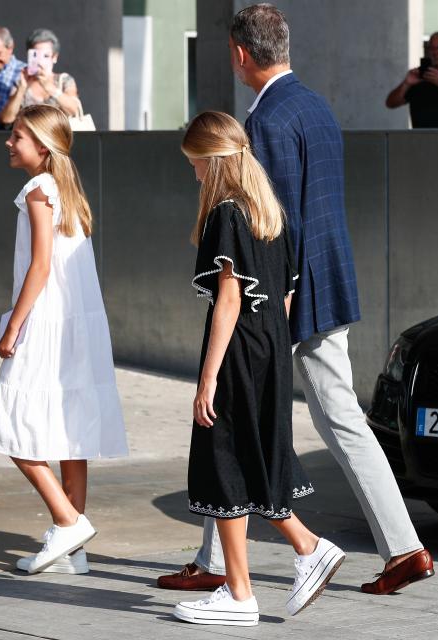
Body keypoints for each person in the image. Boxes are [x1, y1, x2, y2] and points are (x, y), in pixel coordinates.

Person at [158, 3, 434, 596]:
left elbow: (270, 226)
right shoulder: (314, 106)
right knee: (335, 419)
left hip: (285, 299)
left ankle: (218, 562)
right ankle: (404, 546)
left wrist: (273, 313)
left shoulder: (266, 122)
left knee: (231, 419)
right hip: (327, 281)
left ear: (239, 54)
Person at [171, 111, 344, 627]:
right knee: (248, 456)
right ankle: (254, 580)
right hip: (270, 345)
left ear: (213, 160)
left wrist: (208, 378)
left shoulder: (226, 213)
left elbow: (227, 303)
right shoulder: (271, 214)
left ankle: (260, 579)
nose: (195, 174)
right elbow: (286, 298)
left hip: (240, 347)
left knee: (222, 456)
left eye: (196, 164)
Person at [0, 105, 128, 575]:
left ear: (42, 146)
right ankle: (75, 549)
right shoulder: (63, 190)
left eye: (17, 136)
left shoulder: (38, 189)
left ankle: (67, 521)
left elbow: (40, 266)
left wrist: (13, 326)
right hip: (75, 325)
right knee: (71, 430)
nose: (9, 142)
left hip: (46, 323)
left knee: (10, 422)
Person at [1, 29, 81, 126]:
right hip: (29, 138)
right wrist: (21, 89)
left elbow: (74, 111)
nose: (40, 61)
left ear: (54, 57)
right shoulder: (22, 82)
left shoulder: (64, 80)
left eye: (45, 56)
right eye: (35, 55)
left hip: (56, 138)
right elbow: (7, 119)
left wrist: (51, 88)